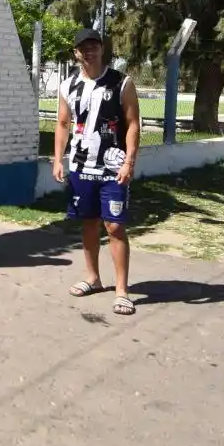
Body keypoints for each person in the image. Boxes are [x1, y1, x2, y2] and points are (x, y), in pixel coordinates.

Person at [53, 27, 141, 316]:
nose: (89, 51)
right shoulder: (68, 85)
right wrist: (57, 159)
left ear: (102, 49)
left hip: (113, 168)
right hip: (81, 167)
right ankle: (93, 278)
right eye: (83, 48)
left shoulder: (121, 82)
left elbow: (133, 124)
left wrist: (129, 162)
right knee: (88, 223)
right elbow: (63, 124)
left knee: (114, 226)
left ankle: (122, 290)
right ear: (76, 53)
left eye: (94, 46)